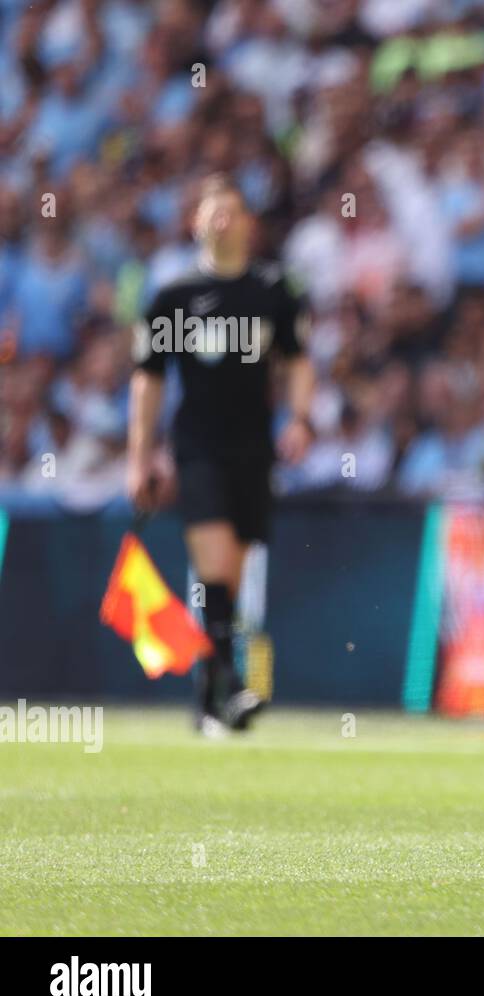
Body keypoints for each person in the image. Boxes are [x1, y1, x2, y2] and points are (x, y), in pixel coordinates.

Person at [127, 174, 315, 736]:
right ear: (196, 222)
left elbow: (299, 360)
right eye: (215, 211)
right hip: (198, 446)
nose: (225, 220)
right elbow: (148, 379)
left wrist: (300, 419)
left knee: (227, 576)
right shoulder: (173, 296)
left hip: (253, 449)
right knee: (213, 562)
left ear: (249, 224)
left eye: (234, 211)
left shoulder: (273, 290)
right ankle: (229, 686)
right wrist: (140, 455)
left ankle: (209, 698)